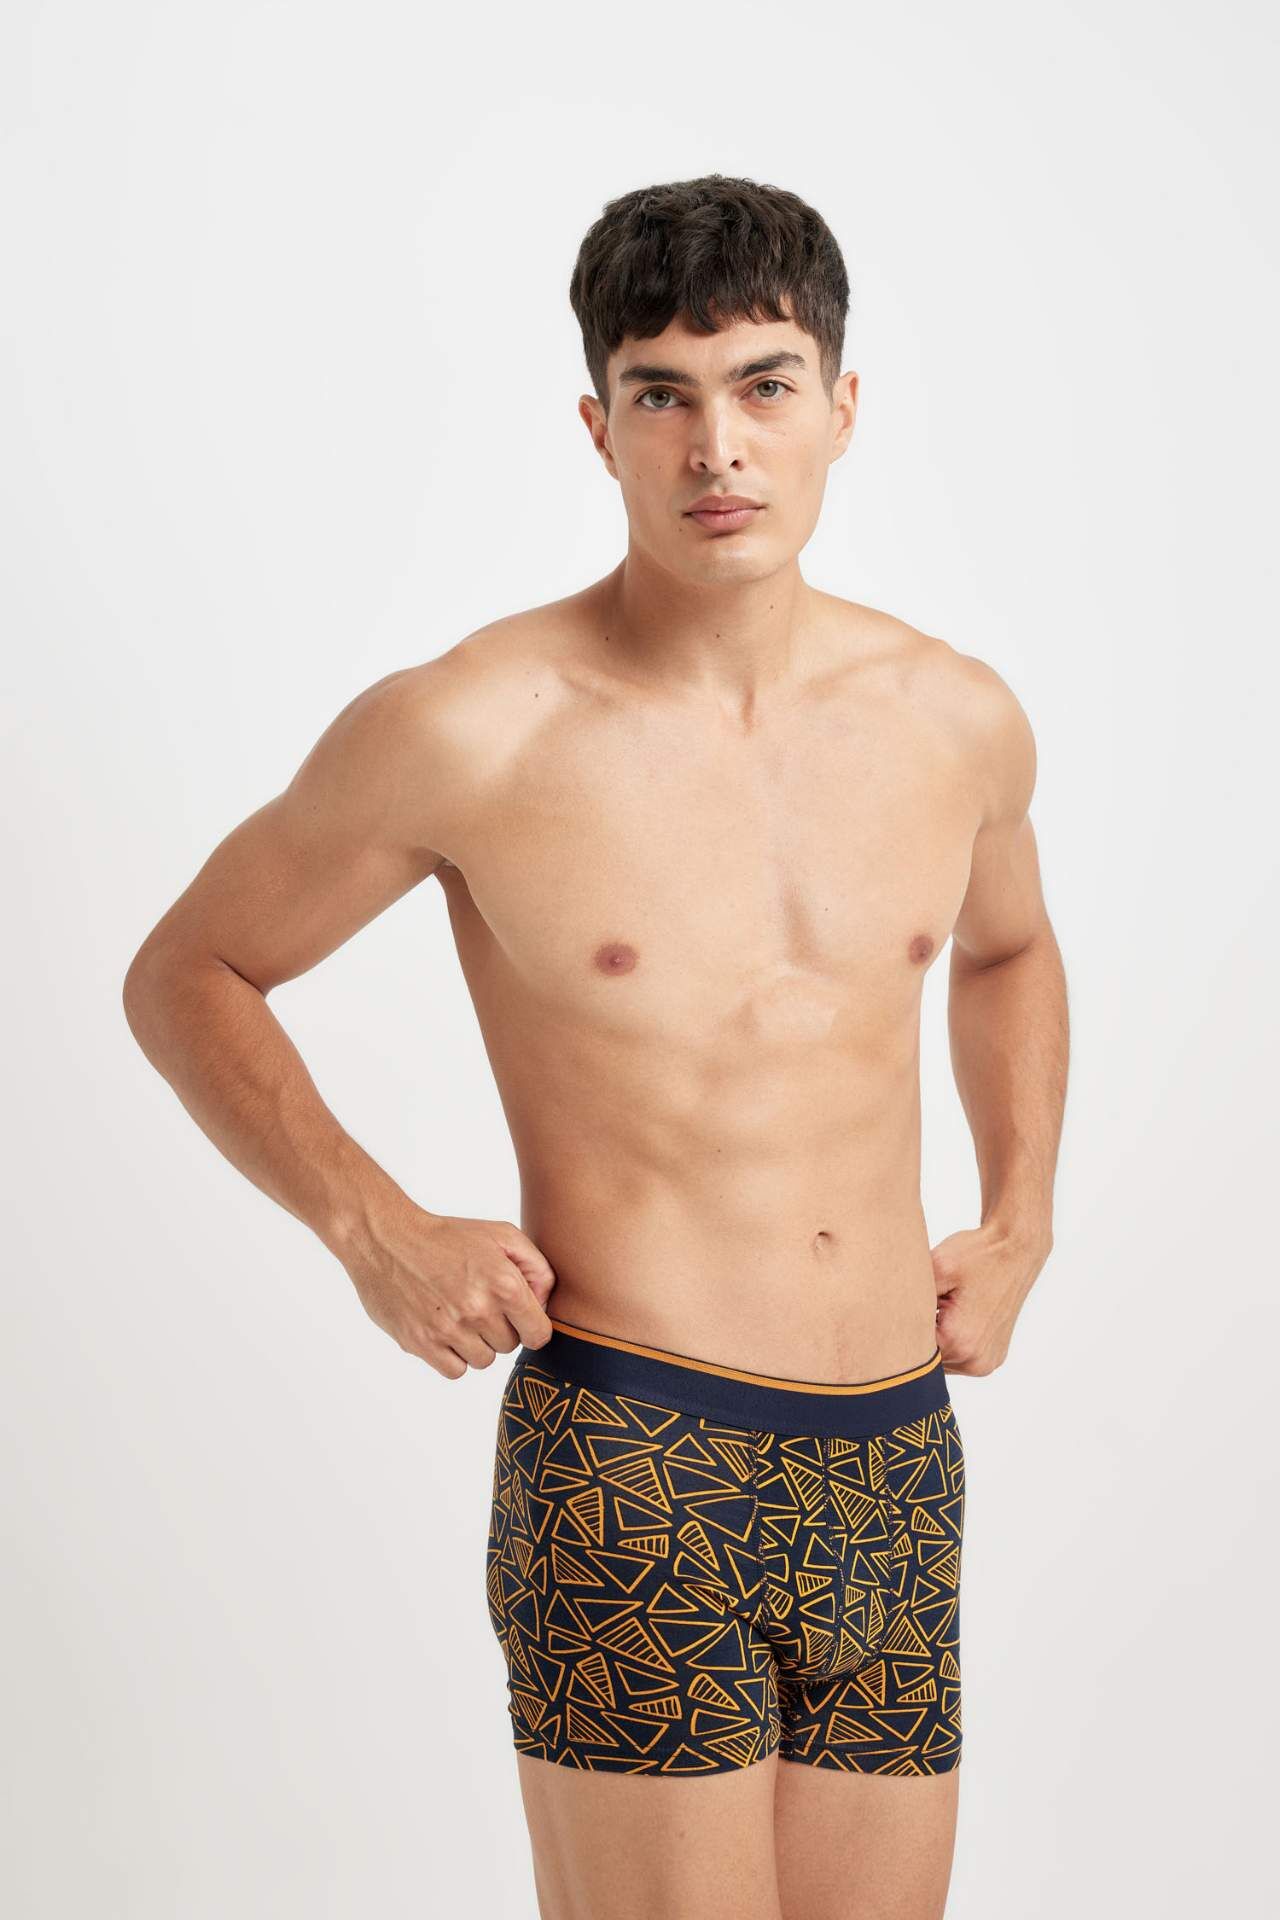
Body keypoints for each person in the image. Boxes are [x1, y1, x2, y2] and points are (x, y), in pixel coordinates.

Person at [123, 173, 1068, 1920]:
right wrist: (371, 1225)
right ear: (600, 427)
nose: (720, 447)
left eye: (765, 386)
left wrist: (1022, 1222)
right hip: (640, 1451)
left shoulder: (955, 718)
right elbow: (189, 970)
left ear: (843, 407)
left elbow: (1008, 951)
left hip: (896, 1461)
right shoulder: (475, 726)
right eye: (663, 395)